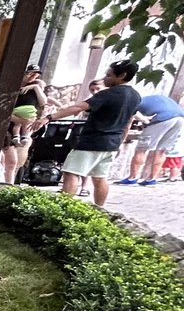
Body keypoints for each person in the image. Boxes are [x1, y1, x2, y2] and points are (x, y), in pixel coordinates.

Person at [31, 59, 142, 208]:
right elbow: (129, 122)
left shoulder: (108, 94)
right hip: (112, 143)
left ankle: (64, 208)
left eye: (109, 75)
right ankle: (100, 210)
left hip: (91, 141)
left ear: (122, 75)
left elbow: (78, 107)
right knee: (100, 178)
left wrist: (49, 117)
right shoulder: (135, 96)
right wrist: (120, 141)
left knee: (71, 172)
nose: (104, 78)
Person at [117, 92, 184, 185]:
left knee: (141, 149)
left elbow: (129, 122)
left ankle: (132, 178)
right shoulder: (152, 99)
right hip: (180, 119)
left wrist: (123, 137)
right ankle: (151, 179)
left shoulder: (132, 102)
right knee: (161, 150)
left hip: (162, 118)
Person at [3, 65, 50, 185]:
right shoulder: (12, 88)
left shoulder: (36, 88)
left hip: (26, 126)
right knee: (7, 158)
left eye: (36, 74)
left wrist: (35, 86)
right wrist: (17, 119)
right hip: (9, 125)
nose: (32, 76)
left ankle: (9, 184)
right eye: (30, 73)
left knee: (14, 160)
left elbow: (43, 102)